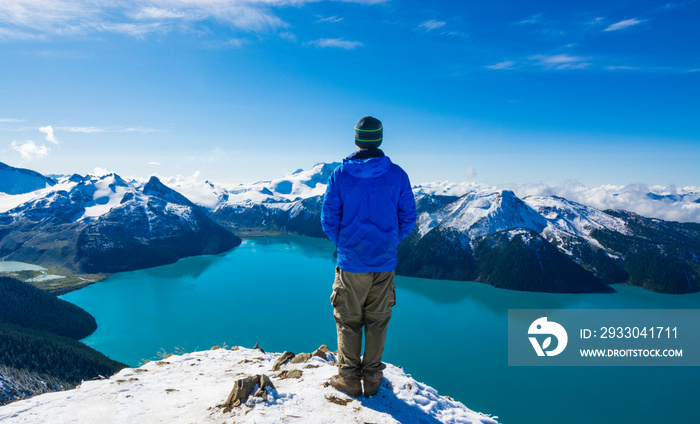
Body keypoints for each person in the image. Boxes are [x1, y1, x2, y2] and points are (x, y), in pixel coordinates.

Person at [321, 116, 416, 397]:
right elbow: (408, 217)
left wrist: (347, 245)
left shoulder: (340, 174)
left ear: (356, 140)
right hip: (384, 264)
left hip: (351, 264)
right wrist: (387, 242)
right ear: (380, 139)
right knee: (378, 320)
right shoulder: (397, 174)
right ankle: (372, 379)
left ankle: (349, 377)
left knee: (348, 319)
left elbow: (329, 219)